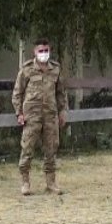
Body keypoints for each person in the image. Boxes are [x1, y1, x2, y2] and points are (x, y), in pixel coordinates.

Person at [12, 38, 69, 196]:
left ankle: (50, 183)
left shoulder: (55, 69)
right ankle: (25, 182)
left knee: (51, 149)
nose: (44, 54)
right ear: (34, 52)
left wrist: (62, 112)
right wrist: (19, 113)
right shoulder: (27, 69)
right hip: (32, 116)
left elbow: (61, 93)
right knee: (27, 148)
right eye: (40, 51)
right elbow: (17, 93)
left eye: (46, 50)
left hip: (50, 116)